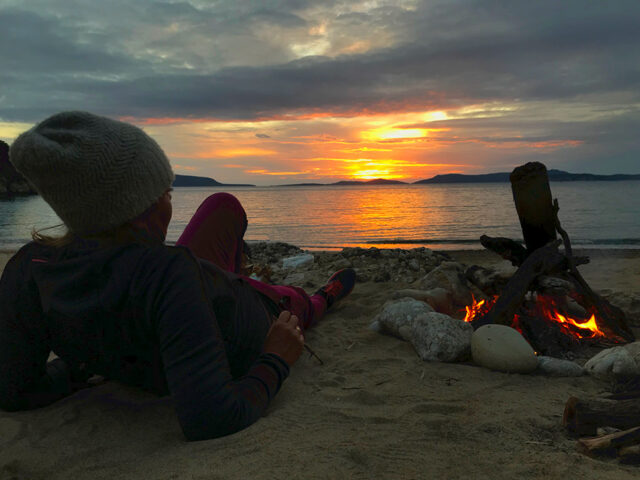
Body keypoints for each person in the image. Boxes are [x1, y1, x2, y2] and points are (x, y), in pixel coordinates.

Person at [0, 111, 355, 441]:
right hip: (260, 311)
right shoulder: (168, 272)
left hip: (191, 297)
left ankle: (241, 274)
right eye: (166, 194)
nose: (169, 203)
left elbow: (15, 391)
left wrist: (79, 367)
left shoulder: (31, 265)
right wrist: (276, 357)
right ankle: (324, 297)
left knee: (222, 205)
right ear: (141, 210)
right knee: (295, 303)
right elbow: (213, 419)